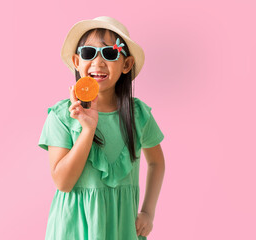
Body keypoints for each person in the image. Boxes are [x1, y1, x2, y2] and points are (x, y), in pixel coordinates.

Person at [38, 16, 166, 240]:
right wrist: (87, 130)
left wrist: (147, 212)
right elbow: (63, 182)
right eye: (89, 53)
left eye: (109, 53)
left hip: (122, 227)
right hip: (73, 229)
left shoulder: (138, 115)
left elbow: (156, 162)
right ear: (77, 61)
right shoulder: (61, 117)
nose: (98, 62)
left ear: (126, 64)